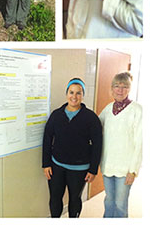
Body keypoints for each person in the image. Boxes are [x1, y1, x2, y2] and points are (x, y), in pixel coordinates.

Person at [42, 78, 102, 217]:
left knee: (75, 199)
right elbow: (47, 139)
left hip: (80, 169)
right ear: (66, 93)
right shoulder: (56, 115)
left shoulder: (91, 118)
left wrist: (93, 169)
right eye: (71, 92)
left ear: (83, 95)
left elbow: (97, 145)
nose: (74, 96)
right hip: (56, 166)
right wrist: (46, 164)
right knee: (55, 199)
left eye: (78, 93)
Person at [99, 72, 142, 218]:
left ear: (129, 89)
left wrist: (133, 170)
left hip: (125, 169)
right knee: (109, 201)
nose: (120, 90)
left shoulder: (137, 110)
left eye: (124, 86)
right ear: (112, 88)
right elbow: (94, 128)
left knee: (120, 204)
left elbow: (140, 142)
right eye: (117, 86)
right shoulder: (108, 109)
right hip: (108, 165)